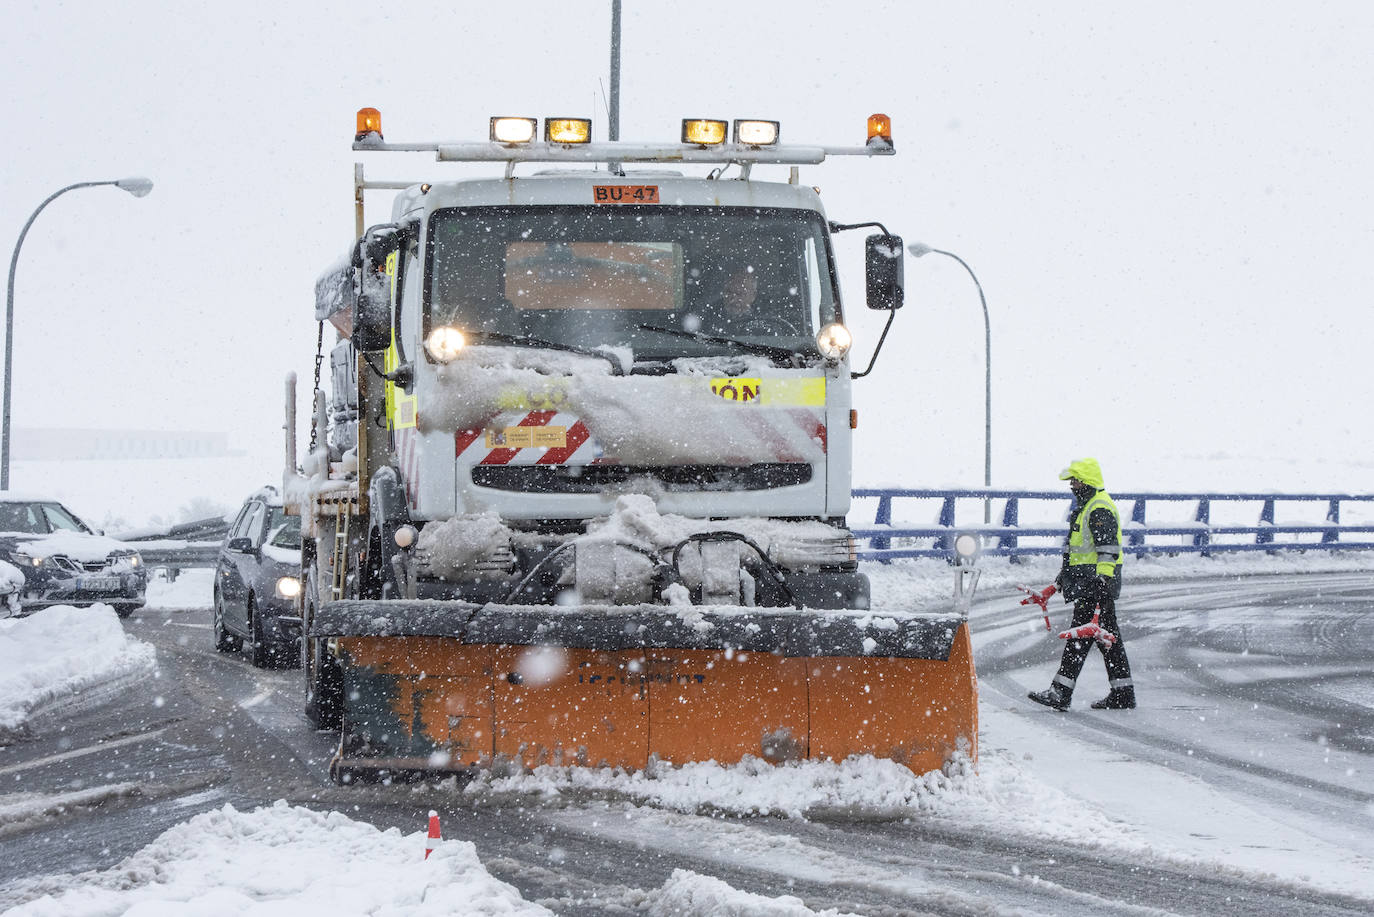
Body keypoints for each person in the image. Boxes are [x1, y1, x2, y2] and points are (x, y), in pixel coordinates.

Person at [1028, 457, 1137, 710]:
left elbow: (1108, 549)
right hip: (1090, 583)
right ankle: (1123, 693)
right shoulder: (1087, 506)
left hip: (1096, 584)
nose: (1072, 486)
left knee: (1080, 638)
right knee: (1108, 638)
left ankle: (1060, 692)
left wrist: (1103, 579)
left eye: (1076, 481)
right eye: (1071, 481)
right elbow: (1078, 553)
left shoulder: (1098, 508)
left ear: (1087, 481)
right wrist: (1060, 581)